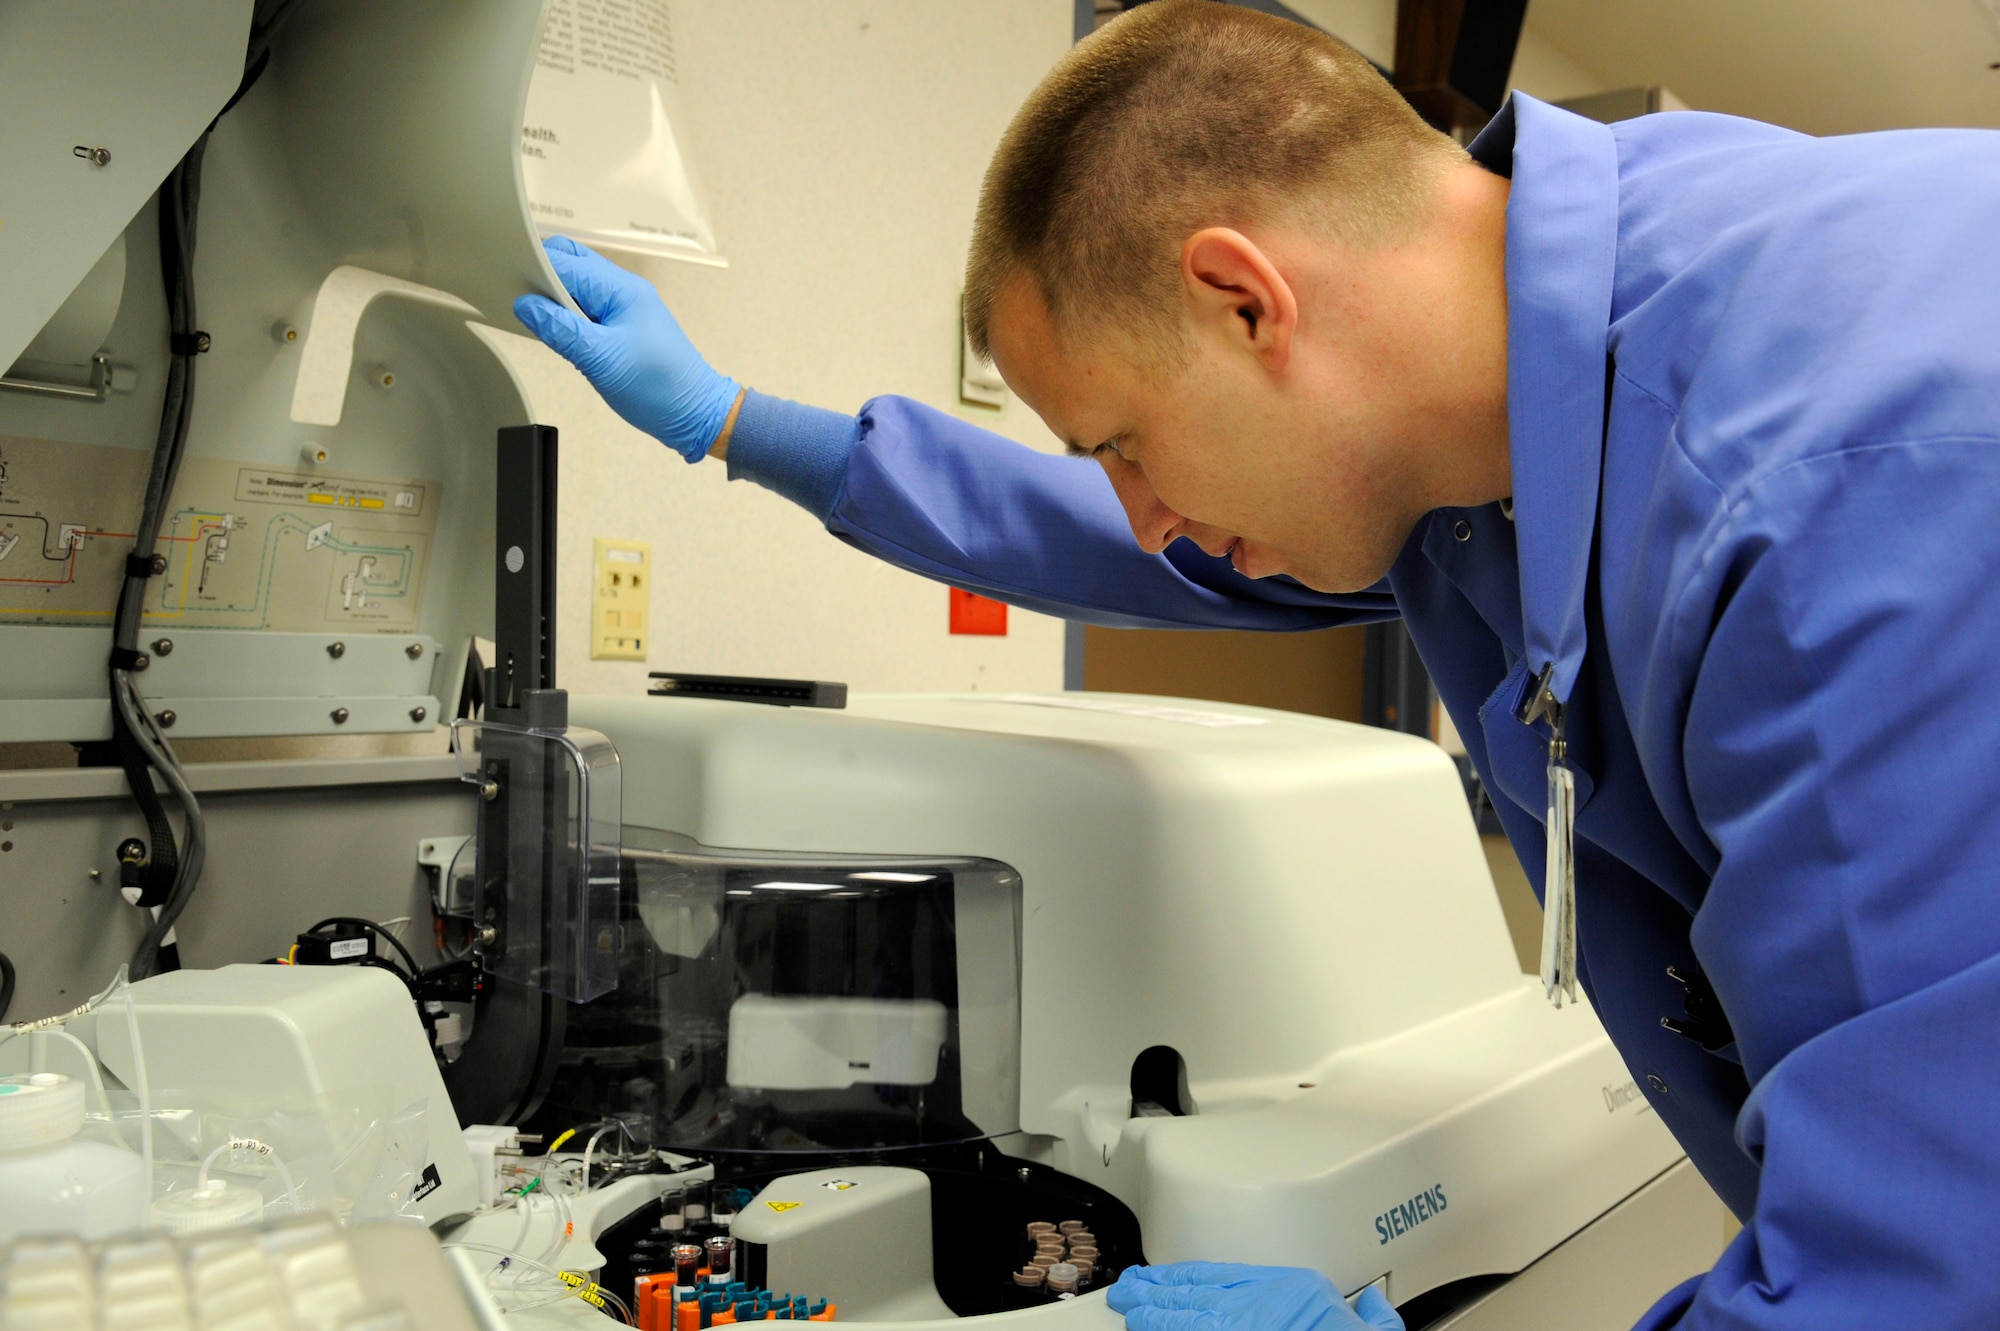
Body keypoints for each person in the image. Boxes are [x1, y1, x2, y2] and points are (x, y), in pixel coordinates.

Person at [514, 3, 2000, 1327]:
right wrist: (735, 422)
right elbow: (1119, 542)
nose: (1146, 515)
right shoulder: (1509, 381)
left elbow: (1915, 1272)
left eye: (1124, 446)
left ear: (1243, 300)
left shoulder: (1830, 496)